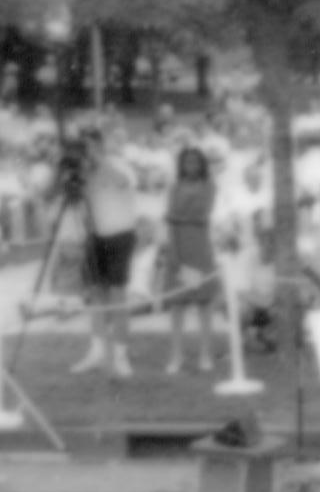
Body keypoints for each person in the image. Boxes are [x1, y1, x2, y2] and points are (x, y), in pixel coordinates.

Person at [66, 131, 143, 379]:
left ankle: (121, 355)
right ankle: (96, 351)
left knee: (118, 296)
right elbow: (75, 201)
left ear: (99, 145)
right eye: (83, 148)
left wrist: (97, 163)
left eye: (90, 147)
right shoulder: (84, 172)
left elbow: (122, 183)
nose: (86, 153)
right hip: (95, 236)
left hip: (120, 234)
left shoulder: (118, 166)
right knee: (97, 295)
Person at [156, 146, 220, 373]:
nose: (191, 166)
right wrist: (173, 248)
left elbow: (203, 212)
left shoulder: (209, 186)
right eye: (186, 162)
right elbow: (170, 219)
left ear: (202, 164)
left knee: (204, 303)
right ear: (181, 165)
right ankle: (176, 355)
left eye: (195, 162)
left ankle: (205, 354)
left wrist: (177, 216)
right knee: (177, 304)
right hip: (178, 244)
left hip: (200, 245)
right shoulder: (174, 187)